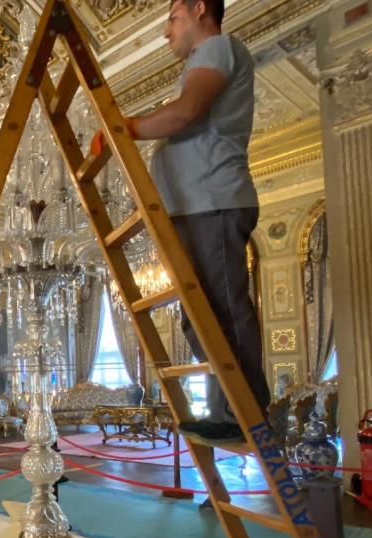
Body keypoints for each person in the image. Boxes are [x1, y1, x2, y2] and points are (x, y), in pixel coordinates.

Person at [90, 0, 267, 442]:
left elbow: (187, 111)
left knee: (222, 310)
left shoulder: (218, 48)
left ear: (199, 9)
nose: (167, 32)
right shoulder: (203, 58)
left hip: (212, 201)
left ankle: (246, 414)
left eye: (172, 18)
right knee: (200, 318)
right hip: (194, 207)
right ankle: (227, 410)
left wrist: (124, 128)